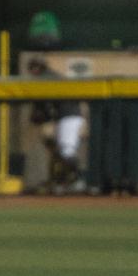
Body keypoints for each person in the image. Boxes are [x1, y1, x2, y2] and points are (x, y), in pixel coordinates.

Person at [27, 57, 86, 194]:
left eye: (34, 68)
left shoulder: (47, 77)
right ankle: (64, 181)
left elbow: (42, 105)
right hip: (63, 117)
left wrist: (40, 115)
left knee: (66, 151)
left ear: (39, 68)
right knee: (58, 152)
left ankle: (80, 180)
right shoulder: (47, 77)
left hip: (69, 116)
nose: (32, 72)